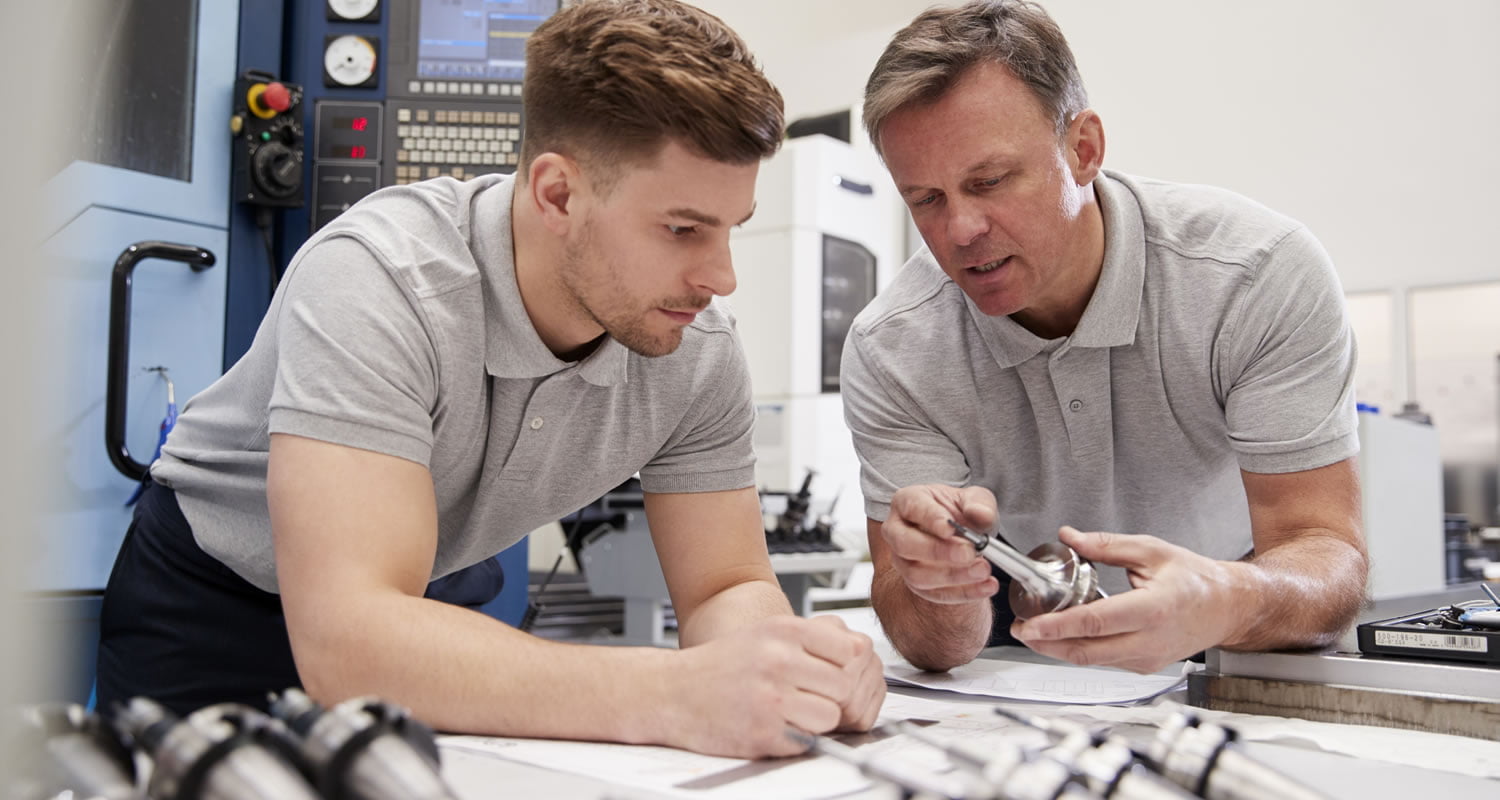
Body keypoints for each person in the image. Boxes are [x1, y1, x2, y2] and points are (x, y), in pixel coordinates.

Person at [96, 0, 883, 759]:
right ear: (558, 194)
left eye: (730, 229)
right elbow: (352, 644)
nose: (721, 277)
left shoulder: (698, 351)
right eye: (682, 229)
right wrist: (675, 691)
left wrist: (794, 671)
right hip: (219, 600)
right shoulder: (380, 279)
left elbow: (722, 589)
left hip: (415, 600)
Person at [843, 0, 1366, 675]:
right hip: (1038, 660)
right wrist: (935, 586)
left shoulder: (1255, 276)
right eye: (926, 200)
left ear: (1083, 149)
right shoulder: (894, 349)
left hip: (1244, 638)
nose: (960, 230)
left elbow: (1324, 553)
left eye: (990, 181)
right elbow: (929, 644)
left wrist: (1224, 600)